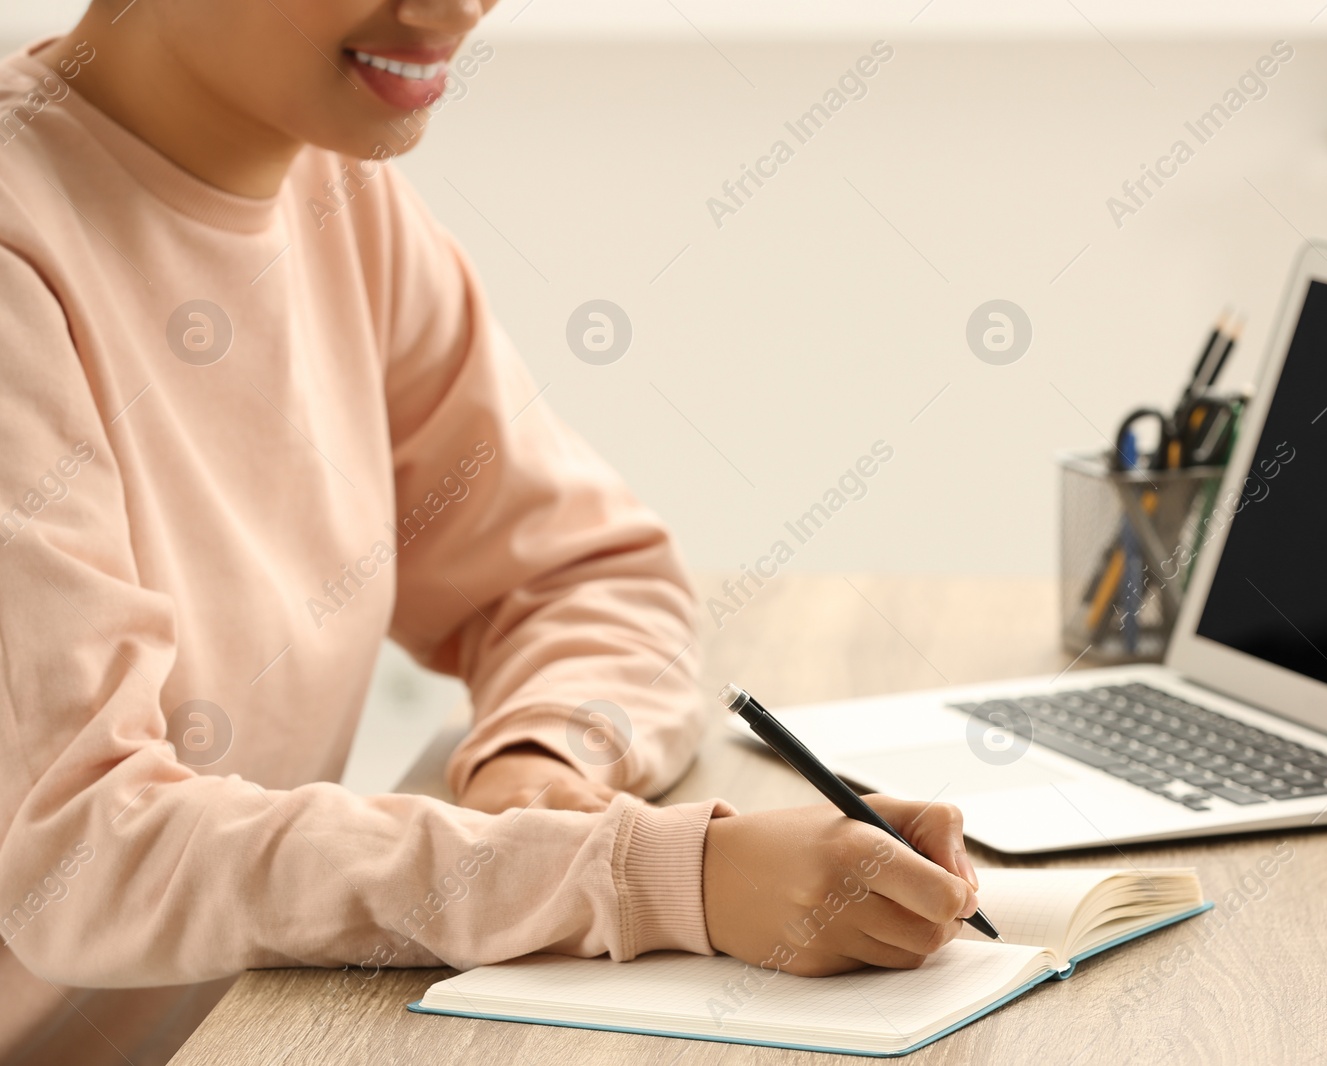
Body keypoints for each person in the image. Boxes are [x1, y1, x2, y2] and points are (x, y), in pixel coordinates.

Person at [0, 2, 983, 1062]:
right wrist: (656, 873)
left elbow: (579, 574)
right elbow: (82, 849)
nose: (455, 6)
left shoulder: (339, 196)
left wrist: (541, 759)